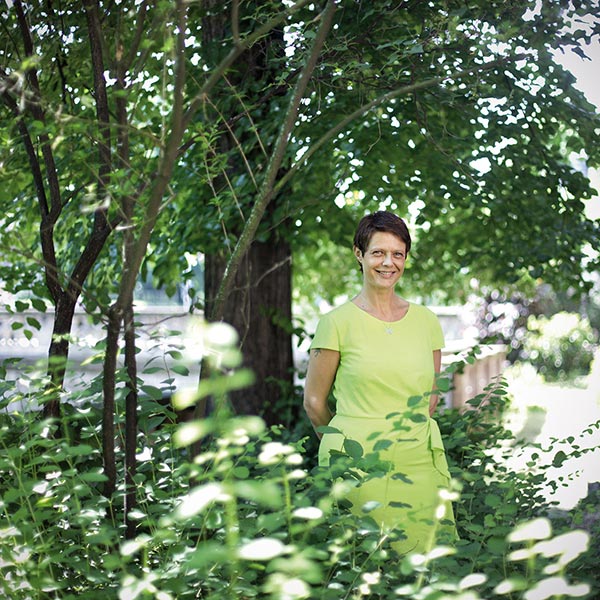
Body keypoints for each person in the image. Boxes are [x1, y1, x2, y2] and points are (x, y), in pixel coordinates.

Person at [303, 210, 456, 555]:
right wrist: (345, 447)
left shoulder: (427, 321)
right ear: (359, 254)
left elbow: (431, 397)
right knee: (368, 566)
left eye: (397, 254)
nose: (388, 263)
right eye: (378, 252)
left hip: (418, 461)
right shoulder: (336, 323)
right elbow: (314, 403)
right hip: (357, 466)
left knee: (427, 565)